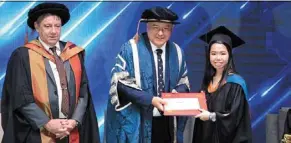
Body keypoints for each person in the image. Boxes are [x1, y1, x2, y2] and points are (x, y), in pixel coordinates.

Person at [1, 2, 100, 143]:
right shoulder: (23, 56)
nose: (53, 31)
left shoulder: (73, 54)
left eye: (57, 26)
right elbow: (21, 97)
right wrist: (47, 123)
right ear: (37, 26)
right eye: (47, 26)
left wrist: (74, 121)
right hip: (37, 132)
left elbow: (83, 94)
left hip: (71, 131)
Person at [104, 6, 190, 143]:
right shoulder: (130, 49)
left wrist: (176, 92)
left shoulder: (177, 51)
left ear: (172, 29)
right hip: (139, 120)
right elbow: (120, 83)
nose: (161, 33)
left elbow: (183, 81)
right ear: (147, 27)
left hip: (167, 122)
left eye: (166, 28)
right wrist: (150, 99)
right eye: (156, 27)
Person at [192, 26, 252, 143]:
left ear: (229, 55)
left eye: (222, 53)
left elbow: (234, 117)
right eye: (213, 53)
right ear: (208, 55)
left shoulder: (236, 83)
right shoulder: (207, 82)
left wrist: (211, 116)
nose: (218, 58)